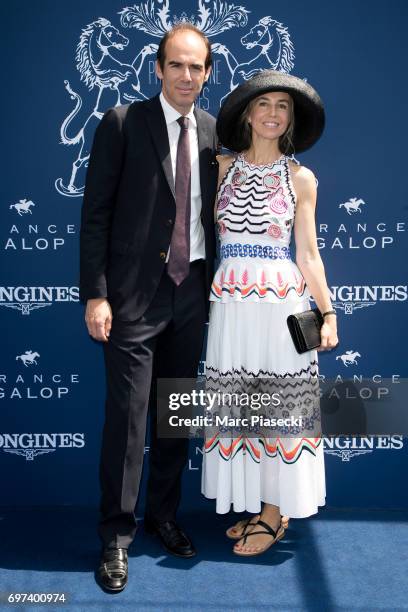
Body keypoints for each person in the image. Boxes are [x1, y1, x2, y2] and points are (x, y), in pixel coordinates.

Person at [80, 24, 218, 591]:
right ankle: (115, 537)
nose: (187, 76)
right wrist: (96, 292)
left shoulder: (212, 131)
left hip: (193, 295)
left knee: (175, 414)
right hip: (133, 299)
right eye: (177, 65)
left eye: (197, 67)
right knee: (129, 419)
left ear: (209, 73)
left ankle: (163, 516)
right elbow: (95, 214)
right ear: (158, 68)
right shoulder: (121, 123)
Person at [201, 70, 338, 556]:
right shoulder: (220, 168)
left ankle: (276, 515)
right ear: (247, 114)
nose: (273, 114)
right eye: (265, 104)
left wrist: (328, 312)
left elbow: (309, 254)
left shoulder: (301, 178)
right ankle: (256, 505)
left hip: (281, 306)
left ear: (291, 119)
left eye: (283, 106)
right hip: (232, 305)